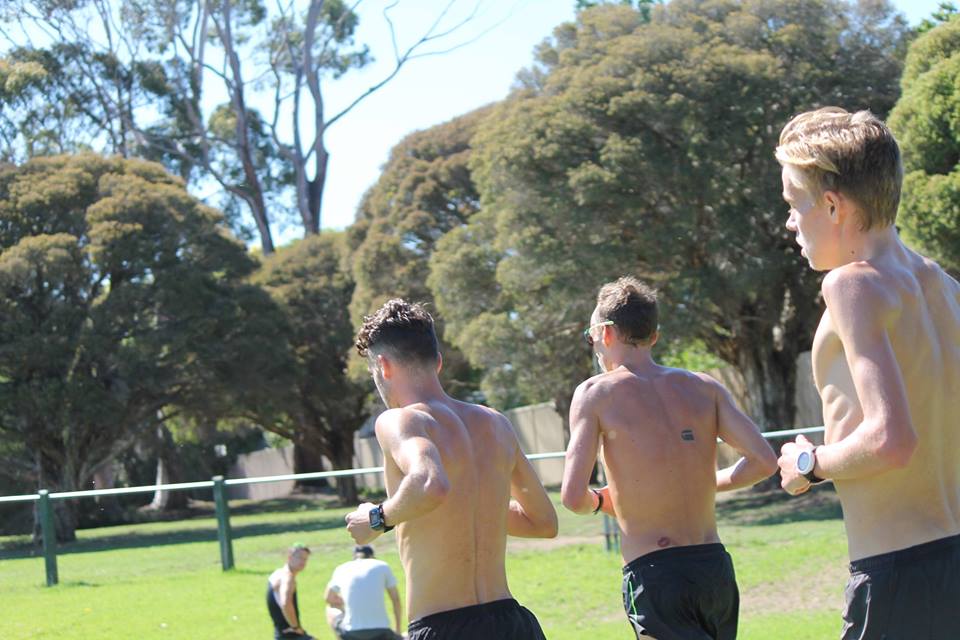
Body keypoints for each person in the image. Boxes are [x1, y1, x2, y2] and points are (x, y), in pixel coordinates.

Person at [775, 107, 960, 639]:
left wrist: (807, 464)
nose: (790, 221)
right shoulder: (944, 287)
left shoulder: (853, 284)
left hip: (899, 581)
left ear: (832, 205)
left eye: (794, 203)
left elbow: (891, 440)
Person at [562, 276, 778, 640]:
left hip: (654, 573)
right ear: (654, 336)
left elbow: (571, 496)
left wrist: (600, 502)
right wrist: (710, 483)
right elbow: (764, 461)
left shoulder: (594, 394)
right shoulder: (704, 387)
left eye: (592, 335)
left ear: (606, 332)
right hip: (714, 568)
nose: (594, 346)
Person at [345, 299, 558, 640]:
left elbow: (429, 483)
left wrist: (377, 518)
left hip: (443, 626)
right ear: (438, 363)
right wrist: (472, 506)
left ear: (383, 366)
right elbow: (543, 522)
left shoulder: (401, 420)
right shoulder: (496, 423)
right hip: (514, 624)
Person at [325, 545, 403, 640]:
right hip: (382, 632)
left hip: (351, 634)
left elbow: (328, 598)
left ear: (354, 557)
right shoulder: (382, 565)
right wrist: (398, 630)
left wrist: (344, 607)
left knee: (330, 609)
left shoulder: (341, 568)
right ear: (372, 556)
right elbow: (396, 600)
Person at [267, 543, 314, 639]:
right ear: (289, 557)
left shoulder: (277, 574)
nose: (303, 562)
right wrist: (295, 627)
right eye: (300, 558)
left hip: (281, 633)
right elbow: (285, 603)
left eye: (305, 559)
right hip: (290, 634)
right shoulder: (288, 578)